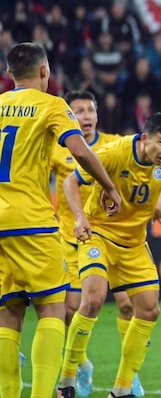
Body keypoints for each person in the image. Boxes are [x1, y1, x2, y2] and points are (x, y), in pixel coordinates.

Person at [0, 42, 121, 398]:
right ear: (44, 72)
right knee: (51, 307)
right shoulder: (53, 105)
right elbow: (80, 149)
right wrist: (109, 186)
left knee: (8, 312)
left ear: (10, 74)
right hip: (31, 221)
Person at [57, 112, 161, 398]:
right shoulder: (113, 153)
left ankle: (122, 387)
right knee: (91, 299)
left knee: (150, 310)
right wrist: (80, 218)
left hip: (134, 242)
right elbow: (70, 182)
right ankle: (67, 378)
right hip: (100, 234)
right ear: (144, 139)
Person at [50, 91, 149, 398]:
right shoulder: (56, 150)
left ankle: (128, 377)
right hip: (70, 237)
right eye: (79, 111)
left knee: (128, 304)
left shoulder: (114, 144)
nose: (87, 116)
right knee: (70, 309)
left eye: (90, 110)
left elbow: (138, 175)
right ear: (70, 117)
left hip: (111, 236)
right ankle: (81, 365)